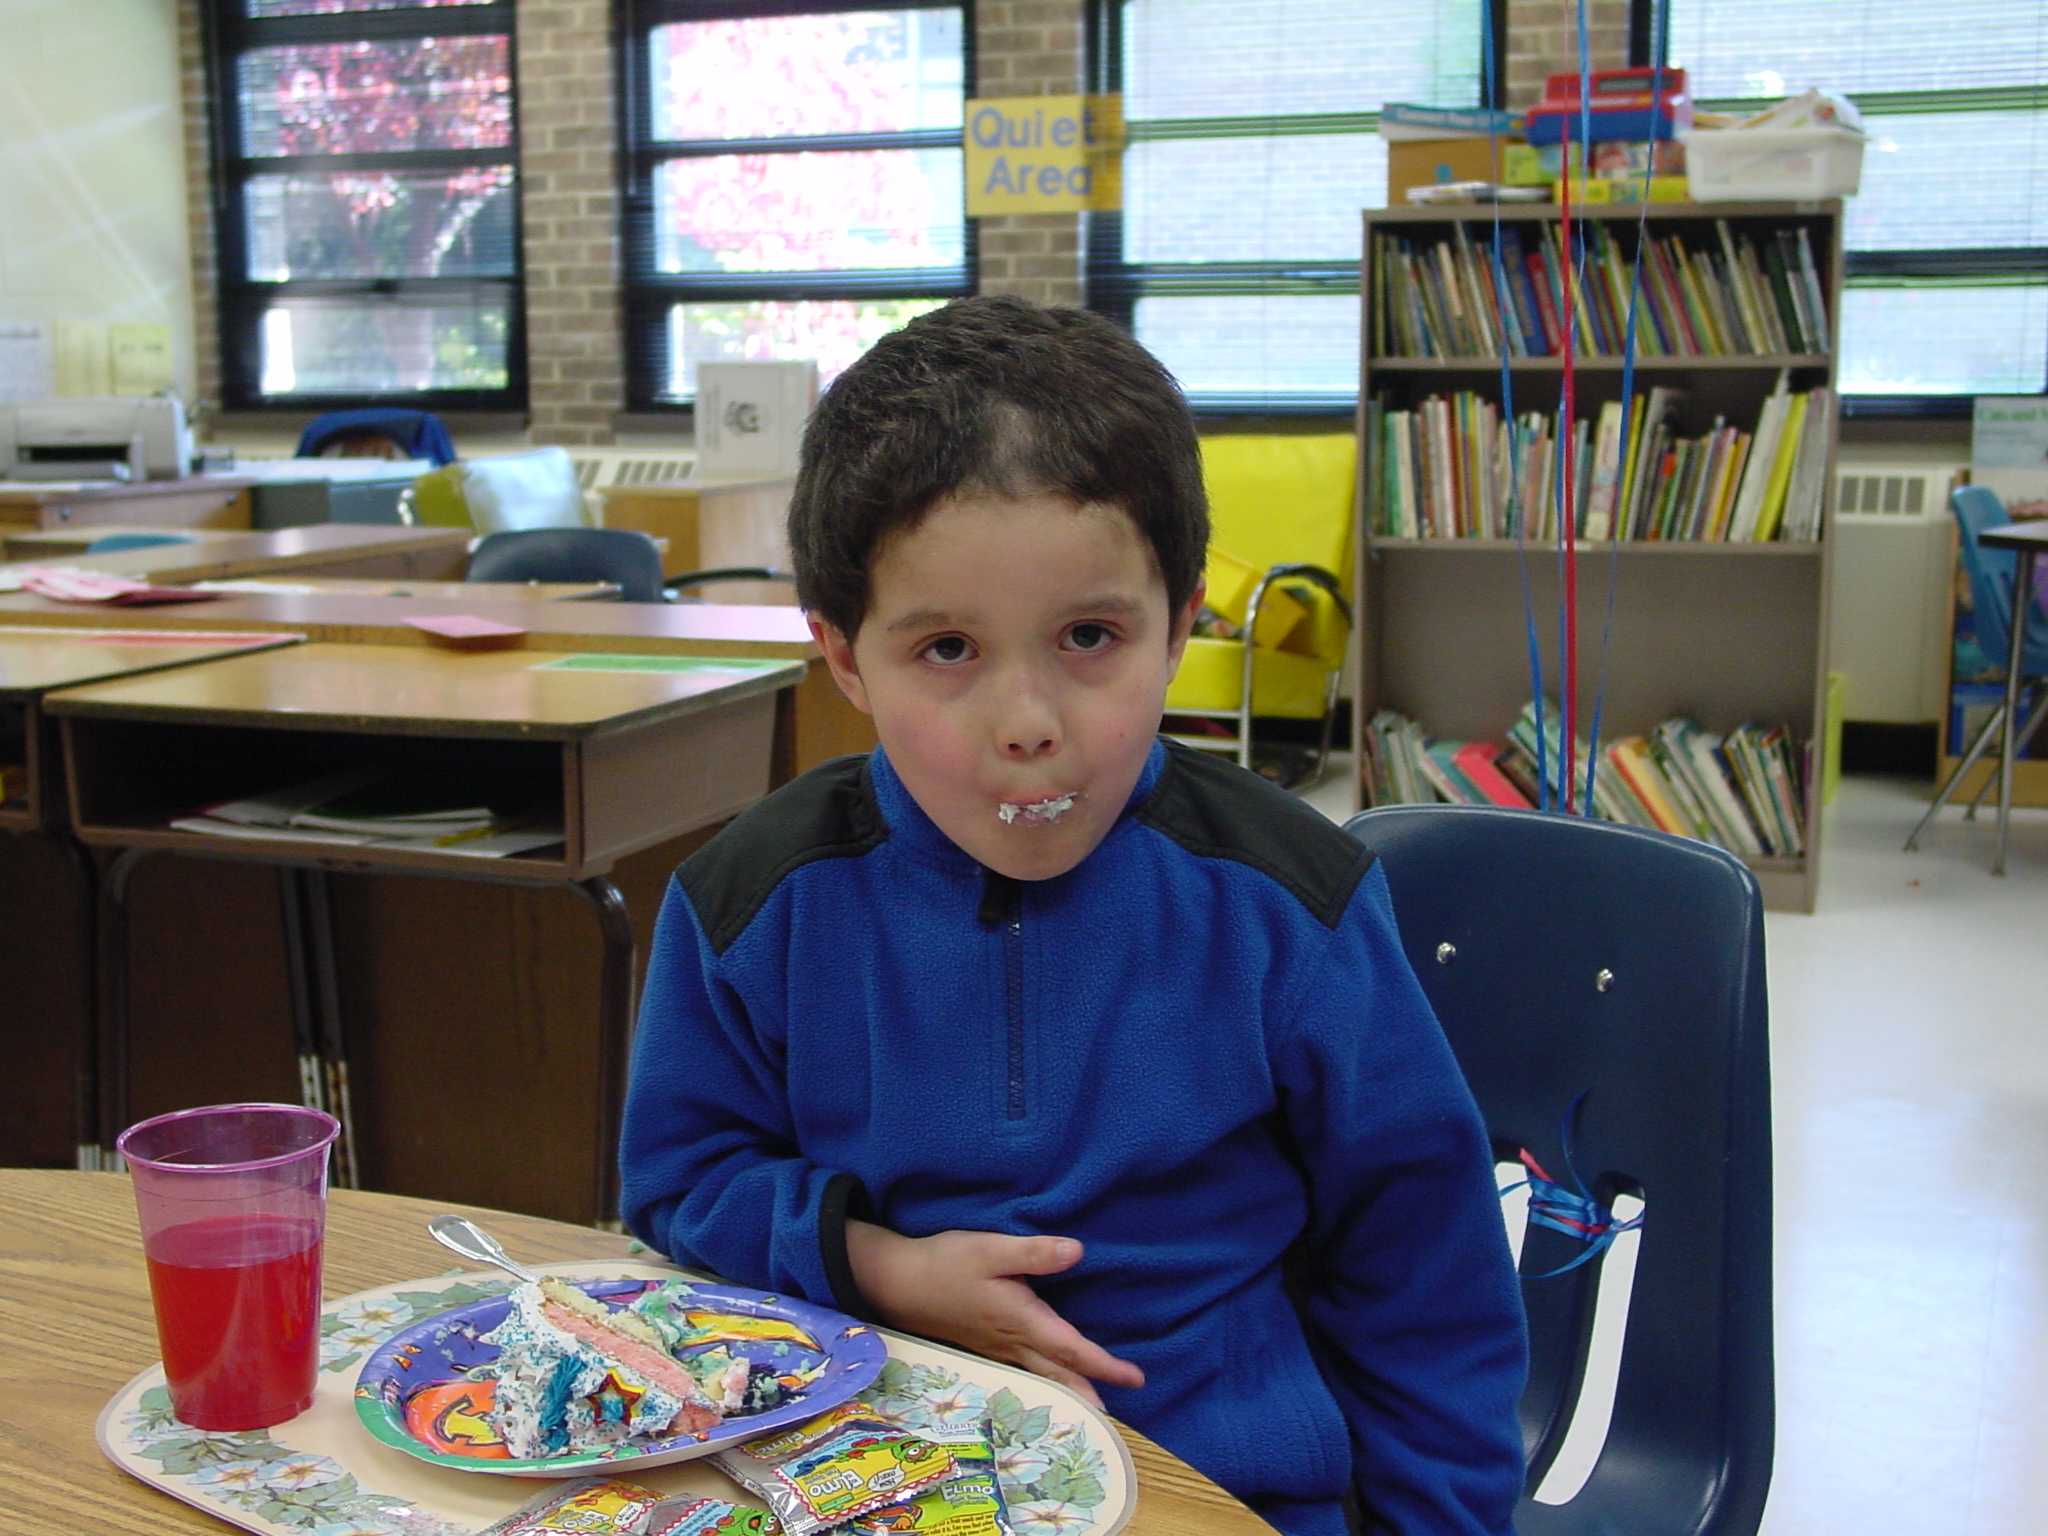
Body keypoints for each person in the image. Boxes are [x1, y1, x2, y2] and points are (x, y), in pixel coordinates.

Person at [620, 295, 1527, 1536]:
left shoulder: (1288, 906)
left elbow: (1428, 1284)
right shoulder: (749, 903)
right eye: (945, 650)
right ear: (841, 657)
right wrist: (879, 1267)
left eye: (1089, 636)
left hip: (1218, 1486)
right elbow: (679, 1183)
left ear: (1181, 624)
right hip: (862, 1480)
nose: (1026, 721)